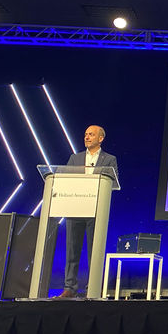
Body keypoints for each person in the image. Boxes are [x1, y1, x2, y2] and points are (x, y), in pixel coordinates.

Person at [56, 125, 118, 299]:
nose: (87, 137)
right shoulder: (75, 158)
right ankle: (70, 288)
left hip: (96, 210)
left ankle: (93, 286)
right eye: (85, 134)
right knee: (72, 250)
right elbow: (65, 180)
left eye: (91, 134)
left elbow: (113, 183)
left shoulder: (109, 159)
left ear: (100, 138)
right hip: (76, 208)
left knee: (94, 250)